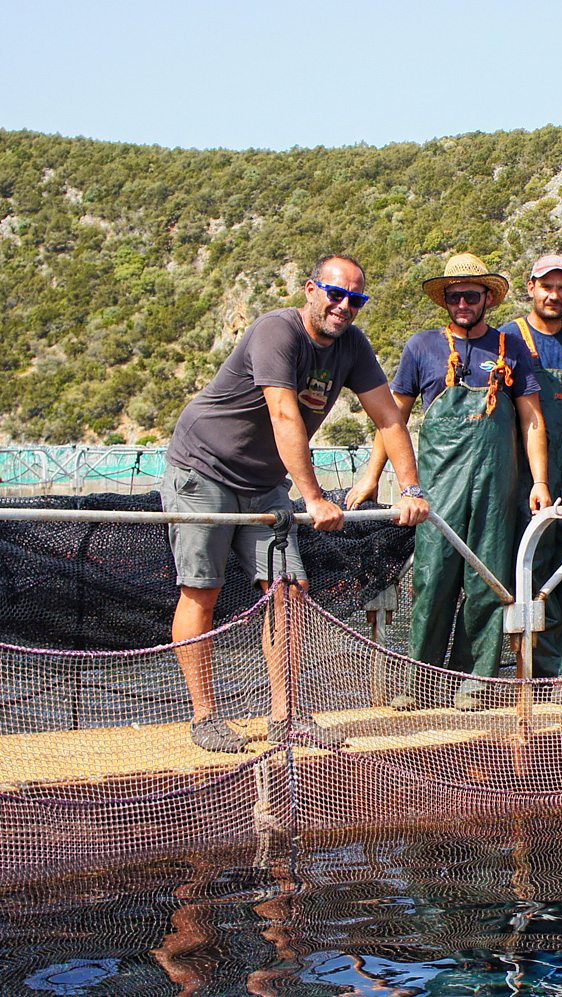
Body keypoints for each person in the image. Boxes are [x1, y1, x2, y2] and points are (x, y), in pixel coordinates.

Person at [162, 253, 429, 753]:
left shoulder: (352, 346)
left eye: (356, 298)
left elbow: (389, 420)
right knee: (202, 590)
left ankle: (288, 716)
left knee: (290, 591)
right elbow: (285, 416)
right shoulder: (276, 332)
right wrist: (312, 497)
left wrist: (412, 490)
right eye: (336, 294)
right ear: (311, 290)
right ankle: (204, 718)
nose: (344, 306)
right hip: (204, 469)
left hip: (263, 481)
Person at [346, 253, 550, 710]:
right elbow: (391, 418)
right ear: (445, 300)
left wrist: (539, 482)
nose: (462, 302)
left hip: (498, 489)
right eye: (454, 295)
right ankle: (419, 684)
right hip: (438, 489)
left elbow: (532, 420)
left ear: (486, 299)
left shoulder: (510, 348)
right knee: (432, 581)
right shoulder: (422, 347)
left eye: (471, 295)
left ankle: (474, 683)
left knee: (489, 583)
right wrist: (372, 474)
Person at [498, 254, 562, 680]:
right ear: (531, 287)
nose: (553, 295)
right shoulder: (508, 338)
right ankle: (551, 671)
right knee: (534, 566)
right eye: (546, 286)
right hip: (529, 472)